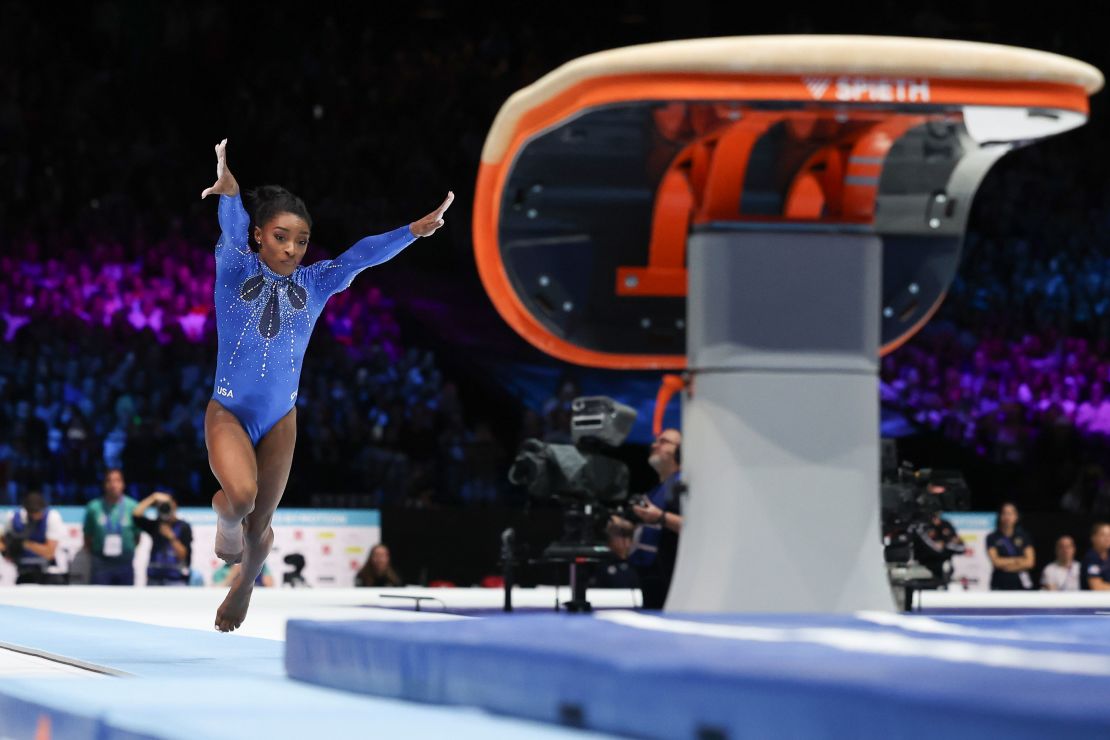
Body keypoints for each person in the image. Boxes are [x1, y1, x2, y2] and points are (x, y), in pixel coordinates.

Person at [200, 139, 451, 631]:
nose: (292, 249)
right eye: (280, 237)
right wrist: (231, 194)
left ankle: (246, 584)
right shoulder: (234, 266)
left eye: (301, 241)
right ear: (258, 236)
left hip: (281, 419)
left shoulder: (314, 283)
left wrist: (412, 233)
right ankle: (224, 522)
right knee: (242, 501)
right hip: (228, 411)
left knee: (262, 524)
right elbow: (230, 229)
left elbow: (360, 257)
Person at [610, 428, 683, 609]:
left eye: (663, 441)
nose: (653, 445)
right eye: (655, 441)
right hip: (652, 581)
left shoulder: (684, 485)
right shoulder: (657, 490)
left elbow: (697, 529)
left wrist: (661, 518)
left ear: (681, 451)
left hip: (674, 583)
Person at [83, 468, 138, 585]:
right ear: (104, 485)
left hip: (125, 562)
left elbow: (137, 536)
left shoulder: (132, 506)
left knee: (126, 600)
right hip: (101, 562)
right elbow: (88, 535)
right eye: (109, 481)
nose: (113, 485)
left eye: (117, 480)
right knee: (99, 600)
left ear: (123, 484)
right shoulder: (94, 507)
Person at [0, 491, 65, 584]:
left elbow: (49, 552)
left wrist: (25, 544)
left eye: (39, 511)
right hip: (22, 571)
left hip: (48, 571)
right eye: (34, 512)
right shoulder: (14, 518)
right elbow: (2, 541)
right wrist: (7, 551)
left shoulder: (52, 517)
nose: (38, 515)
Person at [132, 492, 193, 586]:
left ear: (175, 505)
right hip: (154, 578)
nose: (165, 507)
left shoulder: (184, 527)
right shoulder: (156, 525)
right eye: (162, 505)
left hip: (175, 579)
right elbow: (136, 515)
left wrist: (171, 537)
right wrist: (153, 498)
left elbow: (184, 555)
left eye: (168, 505)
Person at [985, 502, 1036, 590]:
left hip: (1020, 583)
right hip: (1000, 582)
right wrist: (1019, 560)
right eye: (1004, 513)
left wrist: (1007, 565)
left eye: (1010, 513)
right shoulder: (992, 537)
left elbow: (1030, 562)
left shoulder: (1023, 536)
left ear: (1016, 517)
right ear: (1000, 516)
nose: (1007, 517)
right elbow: (996, 562)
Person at [1080, 522, 1110, 591]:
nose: (1107, 538)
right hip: (1093, 600)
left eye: (1109, 535)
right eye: (1103, 535)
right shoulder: (1091, 557)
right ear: (1093, 538)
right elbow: (1097, 587)